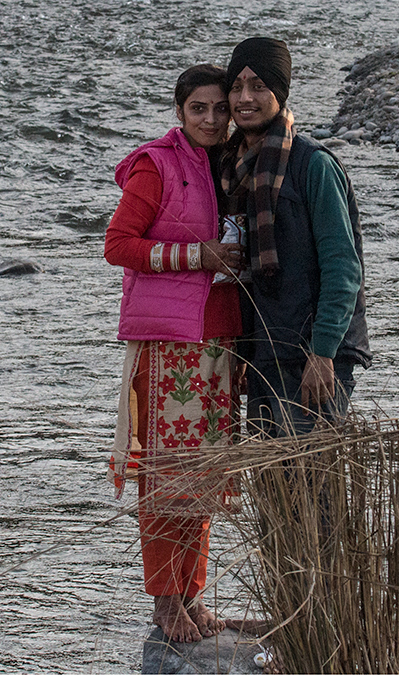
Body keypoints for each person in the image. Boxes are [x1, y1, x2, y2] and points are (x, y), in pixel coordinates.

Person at [104, 64, 246, 643]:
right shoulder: (154, 164)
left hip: (220, 338)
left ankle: (194, 600)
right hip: (168, 343)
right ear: (179, 111)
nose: (211, 120)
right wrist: (199, 257)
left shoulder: (236, 163)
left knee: (204, 478)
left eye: (220, 109)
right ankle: (166, 605)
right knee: (166, 481)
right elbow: (119, 245)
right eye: (198, 109)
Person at [220, 37, 372, 436]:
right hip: (264, 351)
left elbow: (342, 265)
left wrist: (322, 353)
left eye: (258, 86)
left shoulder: (313, 165)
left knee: (311, 485)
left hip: (313, 354)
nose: (245, 97)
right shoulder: (234, 169)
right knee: (273, 488)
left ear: (280, 92)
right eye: (236, 86)